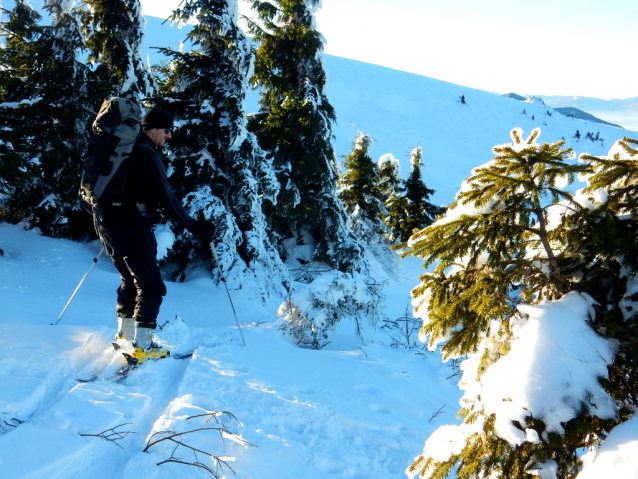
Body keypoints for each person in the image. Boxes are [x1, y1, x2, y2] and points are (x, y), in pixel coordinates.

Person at [93, 107, 215, 362]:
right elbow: (168, 198)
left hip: (106, 222)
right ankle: (144, 347)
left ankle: (124, 337)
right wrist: (195, 226)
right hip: (131, 225)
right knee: (150, 286)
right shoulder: (145, 154)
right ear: (151, 129)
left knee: (129, 279)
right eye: (167, 130)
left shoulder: (123, 151)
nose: (169, 136)